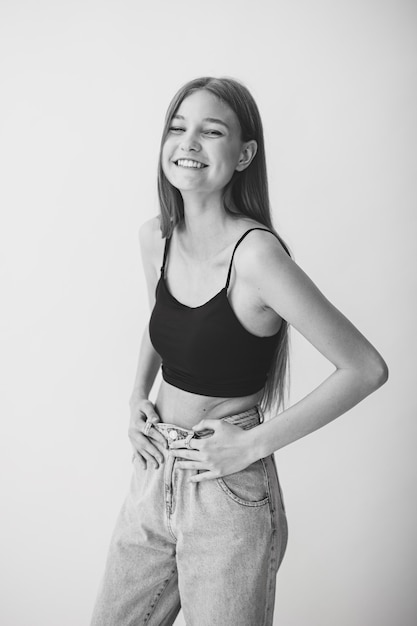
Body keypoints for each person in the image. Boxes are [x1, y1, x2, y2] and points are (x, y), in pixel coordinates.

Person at [90, 77, 388, 626]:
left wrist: (250, 446)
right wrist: (136, 394)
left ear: (245, 153)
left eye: (211, 131)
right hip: (154, 471)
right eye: (178, 128)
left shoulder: (256, 258)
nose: (189, 143)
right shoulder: (154, 237)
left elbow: (365, 369)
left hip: (227, 489)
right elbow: (162, 324)